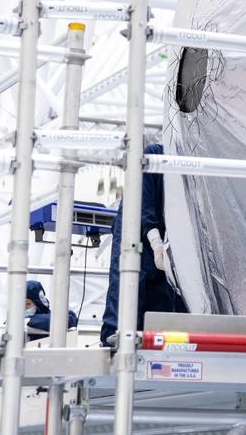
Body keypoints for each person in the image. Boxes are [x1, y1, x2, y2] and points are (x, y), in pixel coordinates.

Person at [100, 143, 188, 347]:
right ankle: (115, 346)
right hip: (136, 235)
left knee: (165, 304)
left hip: (163, 242)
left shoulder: (191, 167)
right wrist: (156, 242)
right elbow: (143, 204)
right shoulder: (155, 155)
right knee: (127, 297)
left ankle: (159, 348)